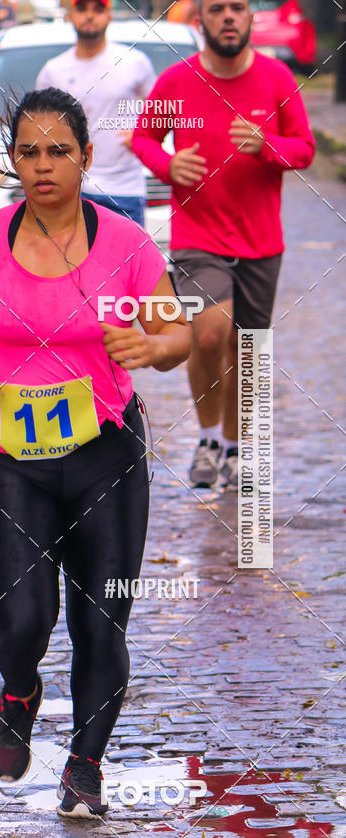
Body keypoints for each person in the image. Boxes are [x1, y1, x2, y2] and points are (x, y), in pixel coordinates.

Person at [0, 88, 190, 818]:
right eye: (29, 152)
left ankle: (84, 766)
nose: (43, 165)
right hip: (10, 453)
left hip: (105, 454)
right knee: (22, 618)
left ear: (85, 156)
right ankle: (19, 689)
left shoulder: (128, 245)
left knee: (101, 618)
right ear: (14, 159)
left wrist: (153, 345)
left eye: (59, 151)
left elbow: (175, 333)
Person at [132, 0, 314, 489]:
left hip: (260, 240)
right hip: (198, 234)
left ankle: (234, 449)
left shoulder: (276, 78)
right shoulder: (175, 80)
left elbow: (305, 148)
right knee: (210, 334)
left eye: (237, 8)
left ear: (250, 19)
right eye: (217, 9)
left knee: (247, 349)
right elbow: (143, 138)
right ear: (201, 21)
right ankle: (209, 439)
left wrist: (266, 146)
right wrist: (168, 167)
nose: (228, 17)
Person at [36, 0, 155, 226]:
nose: (89, 16)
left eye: (98, 9)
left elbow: (160, 109)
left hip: (124, 189)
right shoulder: (53, 71)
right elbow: (39, 127)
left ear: (109, 15)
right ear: (70, 14)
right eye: (82, 9)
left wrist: (142, 134)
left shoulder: (134, 62)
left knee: (128, 261)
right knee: (73, 262)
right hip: (72, 191)